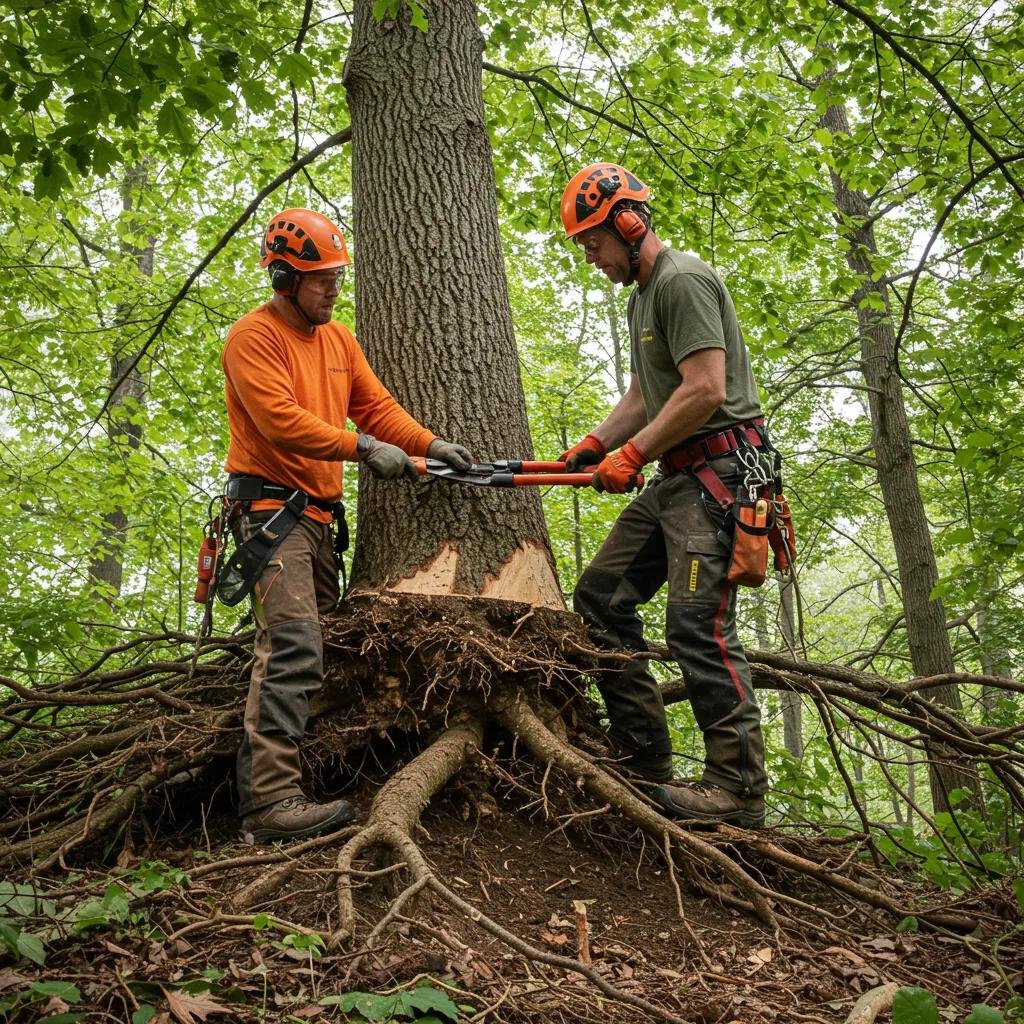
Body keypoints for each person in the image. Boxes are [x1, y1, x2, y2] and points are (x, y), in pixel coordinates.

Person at [220, 207, 471, 843]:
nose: (334, 287)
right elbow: (279, 419)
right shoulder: (254, 337)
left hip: (317, 517)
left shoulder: (338, 340)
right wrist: (360, 449)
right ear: (283, 276)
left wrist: (428, 444)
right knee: (294, 643)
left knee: (327, 648)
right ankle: (268, 802)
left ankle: (312, 775)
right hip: (270, 516)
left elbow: (375, 405)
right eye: (320, 277)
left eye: (336, 275)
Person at [558, 163, 769, 828]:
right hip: (677, 478)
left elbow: (705, 388)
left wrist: (632, 454)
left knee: (695, 625)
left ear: (629, 222)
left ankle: (737, 788)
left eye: (595, 245)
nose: (594, 260)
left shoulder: (682, 281)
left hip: (720, 475)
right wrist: (597, 442)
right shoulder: (641, 297)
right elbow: (648, 392)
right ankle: (643, 763)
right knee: (600, 598)